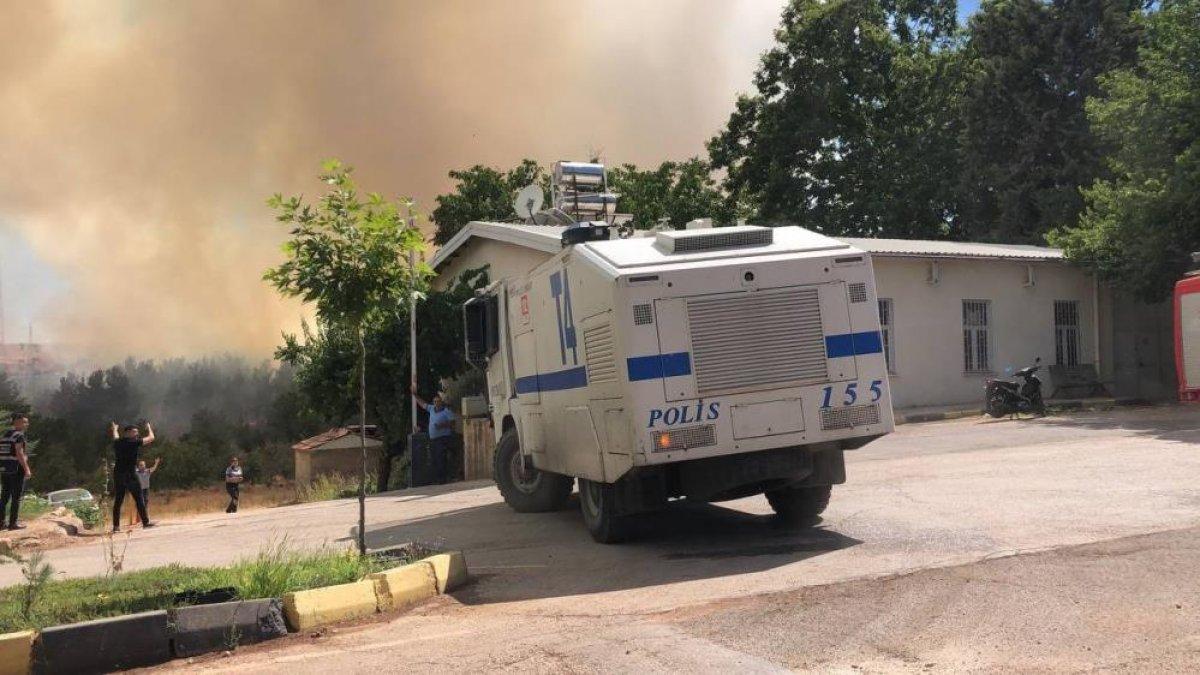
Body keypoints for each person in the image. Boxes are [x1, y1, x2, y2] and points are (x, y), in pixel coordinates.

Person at [111, 421, 155, 531]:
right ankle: (145, 522)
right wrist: (149, 427)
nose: (137, 434)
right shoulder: (134, 442)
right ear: (128, 432)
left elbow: (115, 437)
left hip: (118, 474)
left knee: (118, 501)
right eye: (135, 432)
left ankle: (116, 527)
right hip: (130, 474)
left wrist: (115, 429)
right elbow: (151, 438)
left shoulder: (118, 442)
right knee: (139, 499)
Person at [412, 382, 458, 484]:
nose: (436, 403)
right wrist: (415, 395)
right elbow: (422, 404)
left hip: (443, 438)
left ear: (441, 402)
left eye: (438, 401)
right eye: (435, 401)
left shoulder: (446, 411)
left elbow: (453, 423)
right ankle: (437, 478)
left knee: (441, 458)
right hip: (433, 439)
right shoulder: (432, 409)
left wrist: (442, 425)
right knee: (434, 458)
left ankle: (443, 478)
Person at [0, 413, 32, 530]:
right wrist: (27, 468)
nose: (27, 424)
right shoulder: (19, 436)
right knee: (16, 497)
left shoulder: (6, 435)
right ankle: (13, 524)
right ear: (17, 422)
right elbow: (19, 453)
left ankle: (1, 522)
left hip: (5, 469)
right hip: (16, 469)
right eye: (24, 422)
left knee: (4, 496)